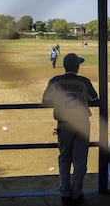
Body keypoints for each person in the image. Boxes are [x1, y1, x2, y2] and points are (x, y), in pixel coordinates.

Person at [42, 53, 99, 206]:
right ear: (77, 67)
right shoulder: (84, 81)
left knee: (64, 158)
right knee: (80, 160)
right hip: (82, 123)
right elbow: (95, 99)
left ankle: (65, 193)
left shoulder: (55, 80)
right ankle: (77, 193)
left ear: (65, 65)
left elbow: (45, 101)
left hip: (64, 123)